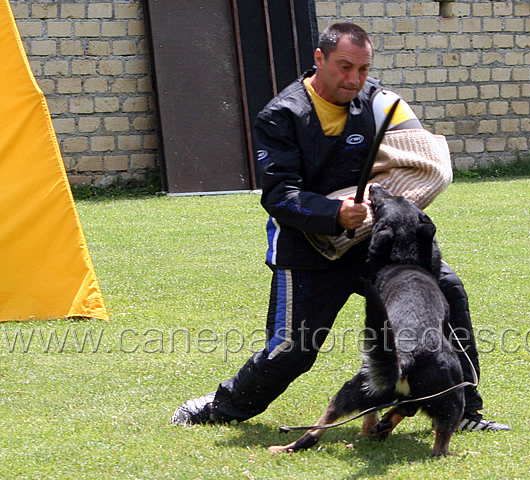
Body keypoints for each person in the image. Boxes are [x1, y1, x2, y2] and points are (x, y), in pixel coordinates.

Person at [172, 22, 510, 432]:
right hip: (307, 245)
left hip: (381, 247)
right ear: (319, 59)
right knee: (295, 349)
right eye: (344, 67)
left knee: (449, 296)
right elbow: (279, 195)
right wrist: (334, 215)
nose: (355, 79)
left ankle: (463, 411)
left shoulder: (380, 102)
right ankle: (220, 407)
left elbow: (422, 153)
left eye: (363, 69)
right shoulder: (281, 115)